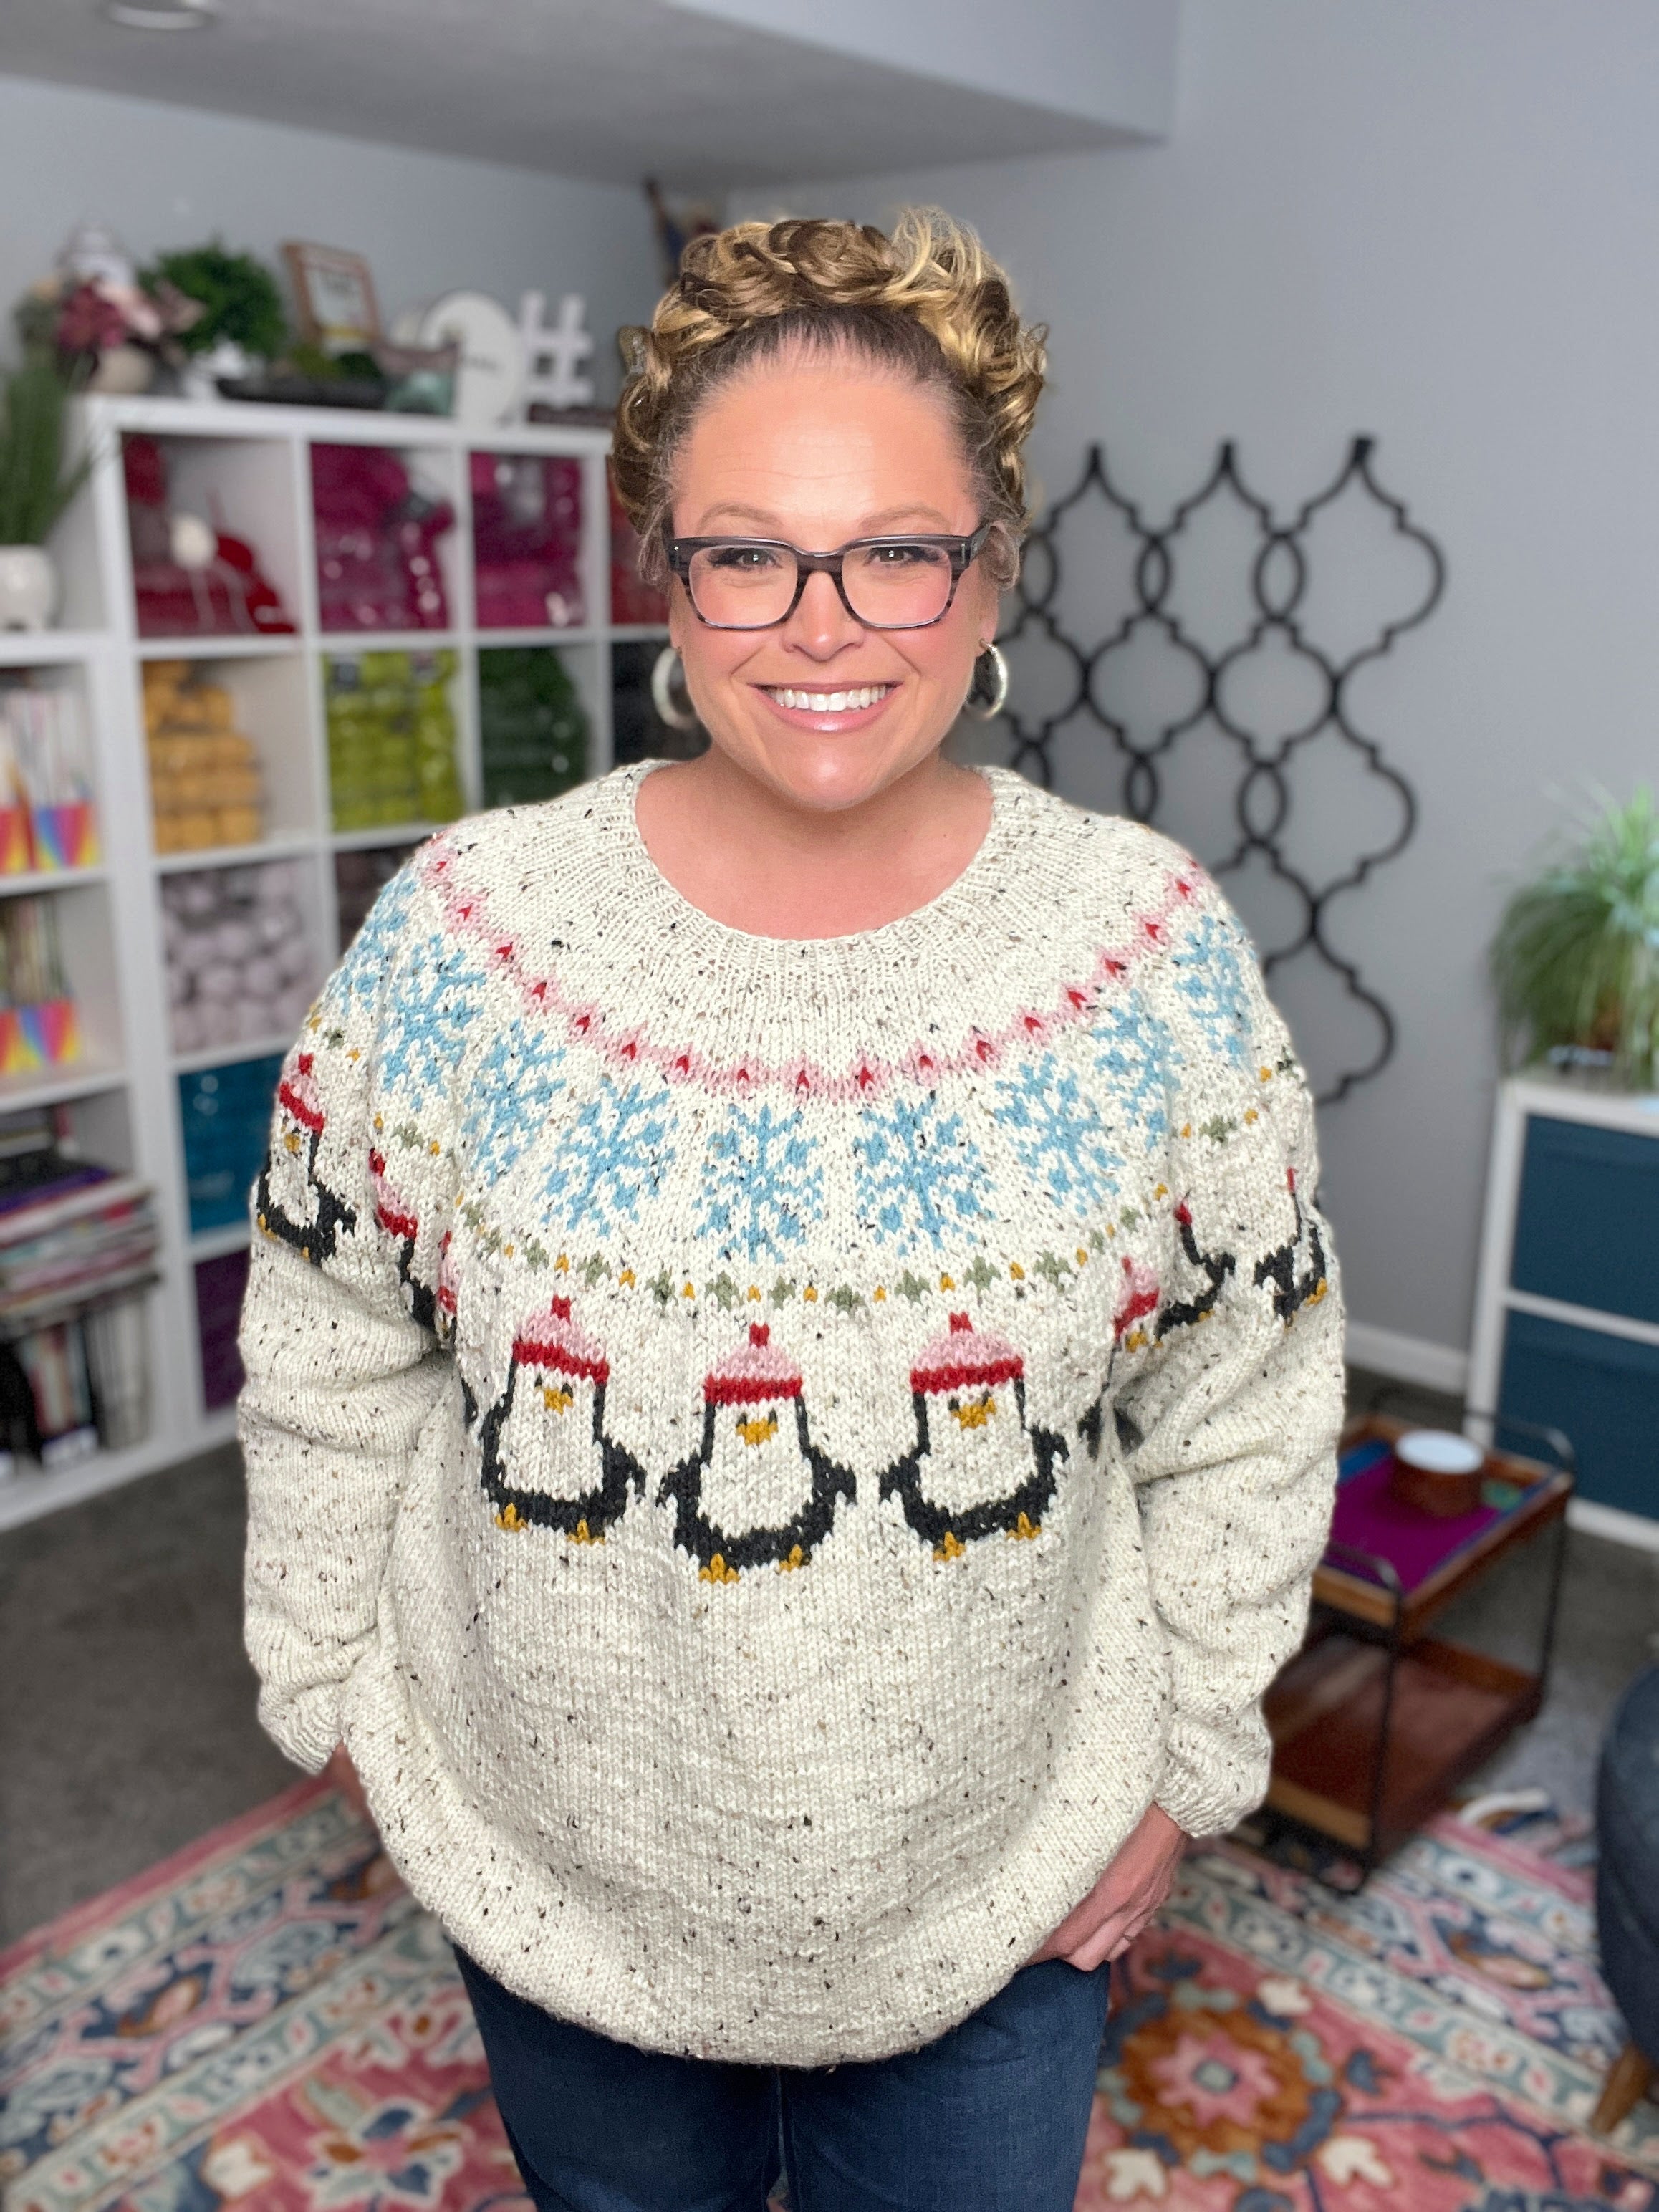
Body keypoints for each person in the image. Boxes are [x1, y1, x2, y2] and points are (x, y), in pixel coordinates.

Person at [239, 209, 1344, 2212]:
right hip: (549, 1883)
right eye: (746, 550)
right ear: (664, 579)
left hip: (998, 1914)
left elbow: (1244, 1392)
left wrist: (1187, 1763)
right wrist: (322, 1684)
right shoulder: (466, 935)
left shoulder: (1149, 950)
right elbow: (330, 1327)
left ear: (990, 566)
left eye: (896, 549)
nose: (820, 623)